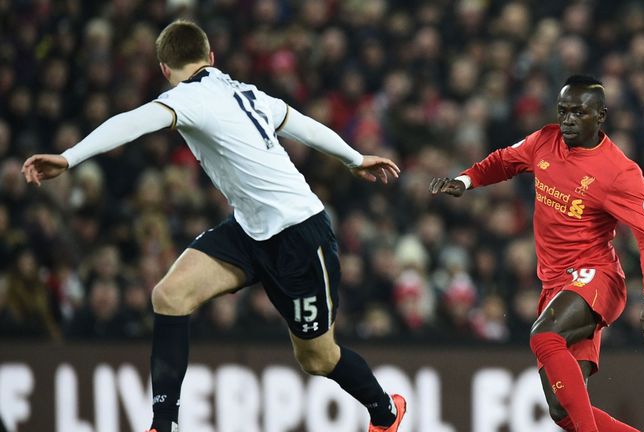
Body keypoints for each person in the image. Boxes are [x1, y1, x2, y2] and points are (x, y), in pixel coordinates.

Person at [22, 20, 406, 432]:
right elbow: (298, 121)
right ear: (211, 57)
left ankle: (385, 413)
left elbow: (133, 122)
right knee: (169, 296)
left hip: (300, 234)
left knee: (318, 359)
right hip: (249, 230)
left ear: (164, 70)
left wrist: (70, 157)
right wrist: (353, 157)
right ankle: (162, 424)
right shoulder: (246, 91)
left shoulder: (190, 98)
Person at [429, 75, 644, 432]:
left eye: (579, 112)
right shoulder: (545, 140)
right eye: (563, 111)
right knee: (564, 413)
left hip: (596, 276)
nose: (568, 120)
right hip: (555, 283)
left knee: (543, 336)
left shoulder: (620, 172)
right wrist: (465, 181)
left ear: (600, 116)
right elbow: (504, 161)